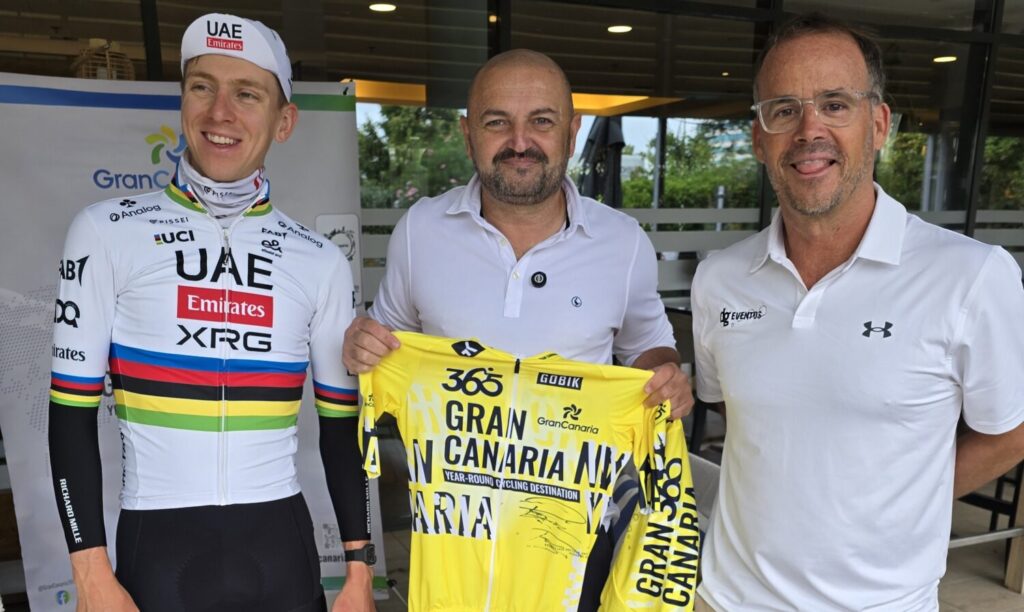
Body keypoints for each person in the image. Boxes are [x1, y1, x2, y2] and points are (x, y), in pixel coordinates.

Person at [691, 13, 1024, 611]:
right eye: (784, 110)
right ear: (759, 139)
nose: (809, 130)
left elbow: (1013, 431)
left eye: (835, 104)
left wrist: (907, 500)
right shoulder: (720, 280)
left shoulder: (971, 276)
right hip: (724, 600)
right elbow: (736, 412)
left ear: (878, 125)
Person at [342, 49, 693, 609]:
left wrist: (666, 376)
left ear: (572, 133)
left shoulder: (623, 242)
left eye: (542, 121)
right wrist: (362, 345)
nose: (520, 141)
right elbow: (387, 345)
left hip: (573, 540)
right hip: (452, 537)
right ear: (468, 134)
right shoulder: (420, 230)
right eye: (497, 122)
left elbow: (648, 347)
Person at [48, 13, 374, 612]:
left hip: (281, 549)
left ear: (283, 122)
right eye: (203, 87)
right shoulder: (105, 232)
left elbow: (340, 428)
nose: (220, 112)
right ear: (182, 102)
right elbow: (70, 414)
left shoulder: (320, 260)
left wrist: (359, 569)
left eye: (246, 94)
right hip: (158, 548)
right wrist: (89, 571)